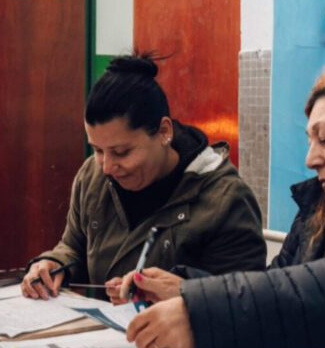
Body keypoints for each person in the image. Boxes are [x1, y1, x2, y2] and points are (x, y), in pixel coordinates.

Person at [125, 64, 325, 348]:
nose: (310, 160)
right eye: (310, 142)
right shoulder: (322, 206)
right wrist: (188, 289)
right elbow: (281, 285)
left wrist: (205, 310)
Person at [21, 54, 266, 301]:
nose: (107, 167)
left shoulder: (226, 201)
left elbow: (246, 302)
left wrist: (183, 295)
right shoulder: (92, 177)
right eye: (97, 150)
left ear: (164, 132)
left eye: (121, 152)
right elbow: (74, 247)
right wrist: (55, 263)